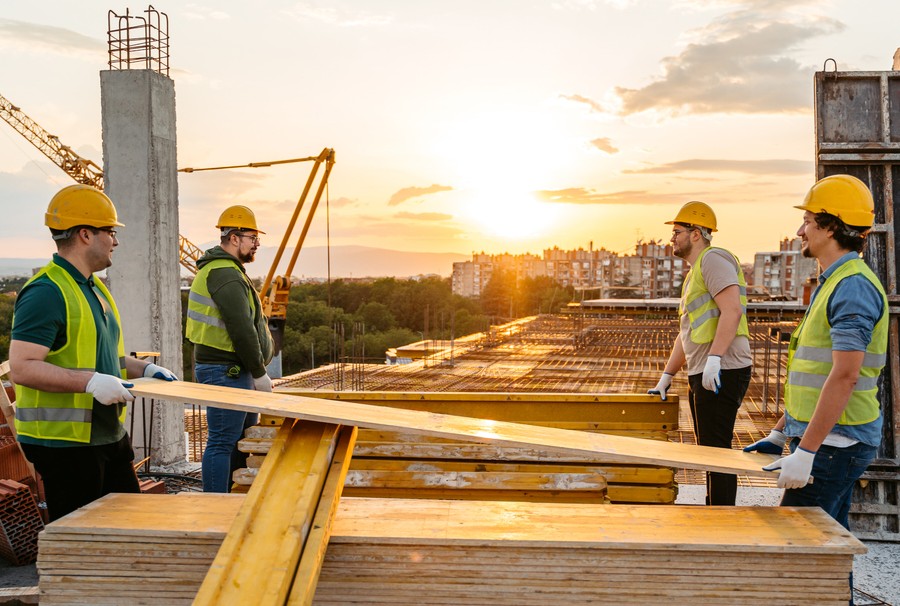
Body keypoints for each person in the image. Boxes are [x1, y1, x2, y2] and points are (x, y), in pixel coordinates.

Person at [8, 184, 178, 522]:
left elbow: (106, 361)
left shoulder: (93, 288)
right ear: (86, 234)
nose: (115, 240)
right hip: (65, 446)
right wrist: (89, 383)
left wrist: (143, 369)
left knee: (129, 529)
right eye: (110, 231)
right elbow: (22, 368)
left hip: (106, 435)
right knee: (81, 546)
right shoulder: (47, 292)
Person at [745, 175, 886, 531]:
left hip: (835, 444)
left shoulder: (852, 287)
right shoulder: (835, 281)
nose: (799, 231)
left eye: (807, 222)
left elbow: (844, 375)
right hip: (831, 439)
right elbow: (819, 372)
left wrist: (806, 452)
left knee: (798, 550)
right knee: (827, 552)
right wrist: (782, 432)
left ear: (831, 227)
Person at [649, 201, 752, 506]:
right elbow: (688, 332)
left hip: (724, 369)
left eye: (677, 231)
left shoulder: (713, 259)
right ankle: (715, 511)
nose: (672, 238)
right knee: (708, 449)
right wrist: (667, 375)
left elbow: (731, 311)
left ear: (696, 233)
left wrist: (715, 359)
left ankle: (721, 518)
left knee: (716, 450)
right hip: (706, 370)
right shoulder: (694, 273)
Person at [186, 204, 274, 493]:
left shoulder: (228, 270)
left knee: (239, 440)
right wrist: (260, 373)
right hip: (225, 371)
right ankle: (215, 505)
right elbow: (241, 329)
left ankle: (232, 497)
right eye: (252, 237)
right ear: (234, 238)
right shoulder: (224, 273)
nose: (256, 244)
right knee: (223, 441)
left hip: (234, 370)